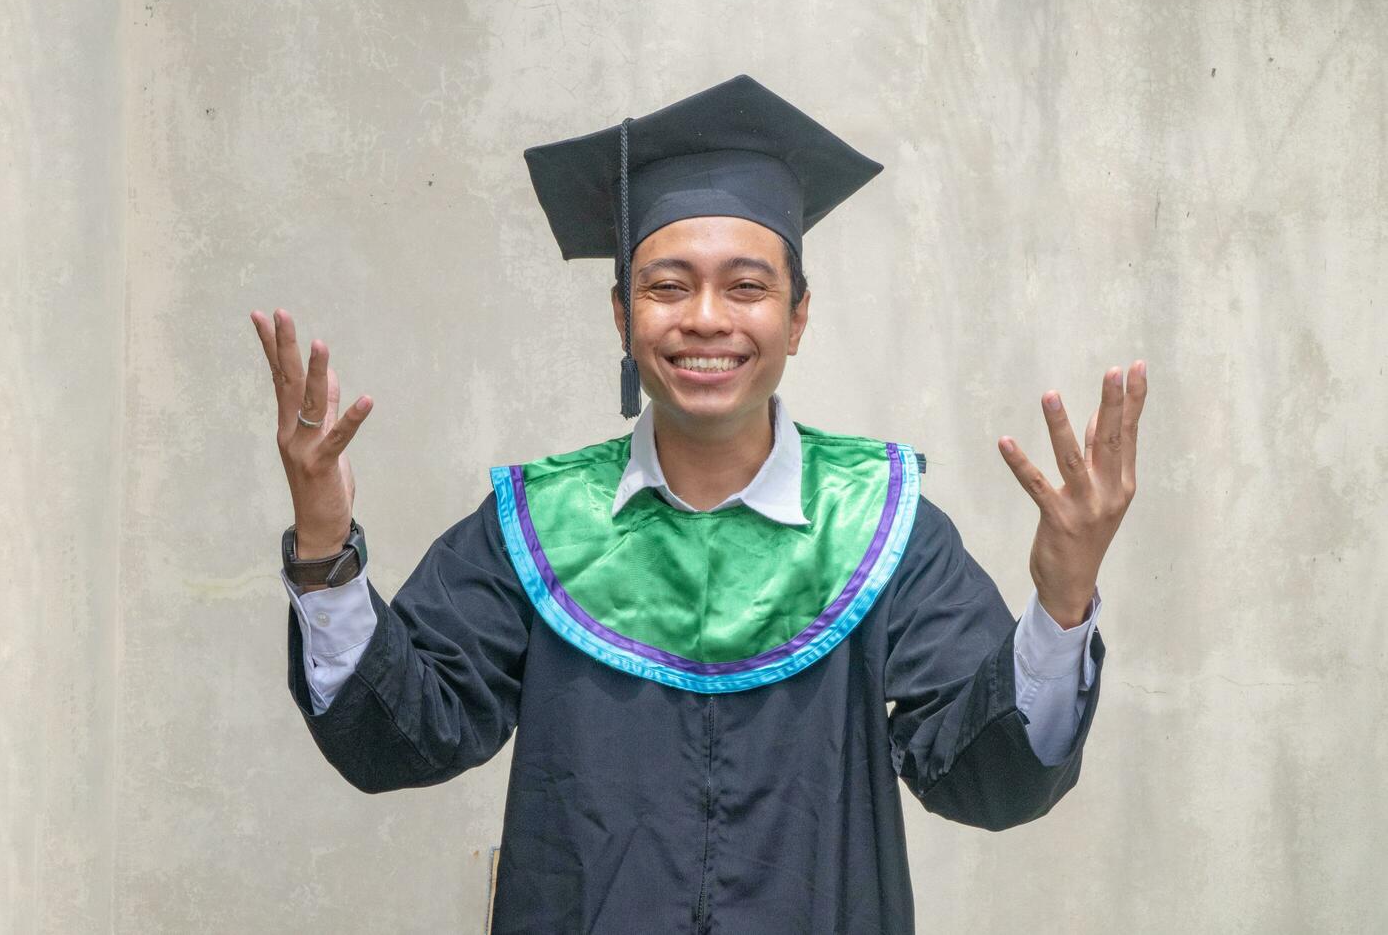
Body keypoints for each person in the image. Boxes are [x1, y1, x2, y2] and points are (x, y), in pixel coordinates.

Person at [249, 75, 1147, 934]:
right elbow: (399, 736)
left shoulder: (882, 522)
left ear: (797, 318)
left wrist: (1063, 601)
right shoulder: (539, 524)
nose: (707, 318)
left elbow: (988, 776)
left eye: (748, 287)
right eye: (668, 285)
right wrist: (325, 543)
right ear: (620, 314)